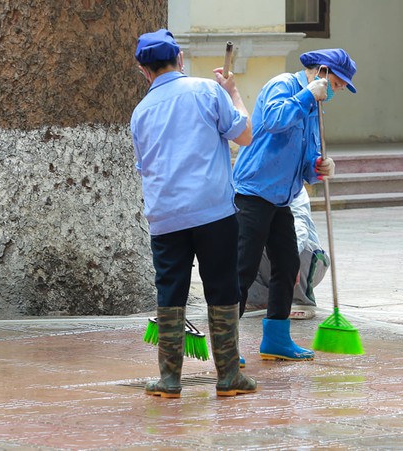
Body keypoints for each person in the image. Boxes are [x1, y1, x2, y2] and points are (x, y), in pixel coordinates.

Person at [130, 29, 256, 398]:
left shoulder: (141, 112)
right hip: (212, 210)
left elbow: (145, 165)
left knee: (170, 290)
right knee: (222, 286)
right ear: (180, 58)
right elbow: (244, 135)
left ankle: (169, 380)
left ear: (143, 70)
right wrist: (233, 92)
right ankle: (229, 376)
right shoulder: (207, 90)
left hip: (165, 215)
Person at [234, 48, 356, 361]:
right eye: (338, 84)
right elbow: (274, 120)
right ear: (323, 72)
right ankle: (226, 342)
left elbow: (306, 163)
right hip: (253, 192)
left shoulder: (314, 108)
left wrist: (320, 166)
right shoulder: (283, 85)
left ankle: (276, 338)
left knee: (288, 266)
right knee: (242, 269)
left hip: (281, 199)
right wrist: (306, 96)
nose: (336, 91)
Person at [246, 186, 329, 320]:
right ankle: (259, 300)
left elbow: (300, 224)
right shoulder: (246, 187)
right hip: (267, 265)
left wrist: (290, 258)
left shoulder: (292, 187)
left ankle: (301, 301)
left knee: (294, 244)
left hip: (306, 263)